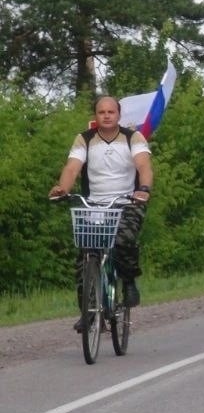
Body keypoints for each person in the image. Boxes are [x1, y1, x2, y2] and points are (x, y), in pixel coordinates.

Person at [50, 96, 153, 332]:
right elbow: (72, 167)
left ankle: (128, 281)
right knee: (84, 256)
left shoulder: (132, 137)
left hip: (127, 202)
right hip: (94, 205)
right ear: (95, 116)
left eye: (111, 112)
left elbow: (144, 166)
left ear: (118, 114)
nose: (106, 115)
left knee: (123, 240)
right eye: (101, 112)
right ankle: (88, 312)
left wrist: (144, 189)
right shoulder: (84, 139)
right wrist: (62, 189)